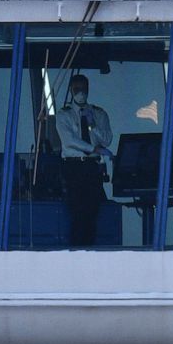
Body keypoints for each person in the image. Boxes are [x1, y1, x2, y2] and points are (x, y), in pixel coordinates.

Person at [56, 74, 113, 246]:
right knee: (76, 212)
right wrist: (92, 148)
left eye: (83, 89)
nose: (80, 93)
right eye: (77, 89)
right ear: (71, 90)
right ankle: (76, 252)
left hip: (92, 167)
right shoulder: (64, 114)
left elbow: (107, 139)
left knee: (92, 213)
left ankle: (90, 250)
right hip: (73, 166)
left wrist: (92, 125)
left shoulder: (98, 113)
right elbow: (69, 141)